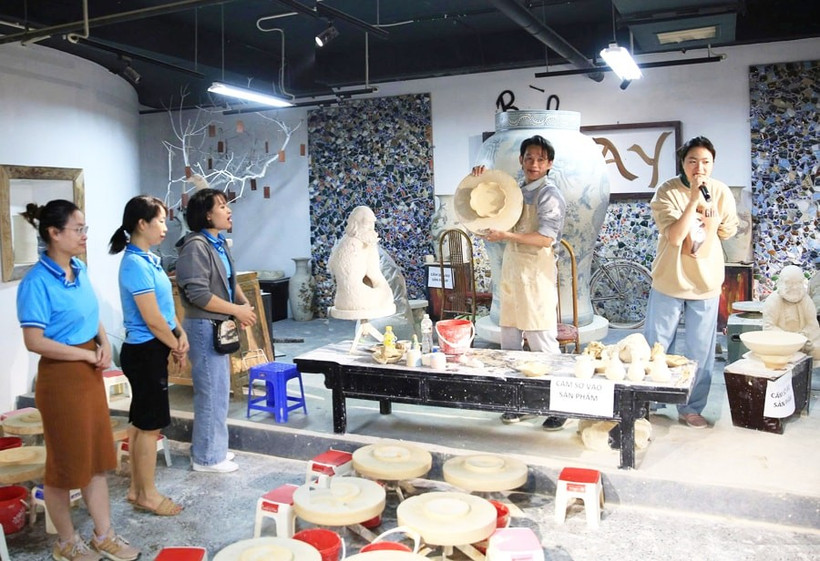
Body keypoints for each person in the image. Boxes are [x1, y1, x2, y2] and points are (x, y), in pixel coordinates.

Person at [16, 200, 140, 561]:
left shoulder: (79, 269)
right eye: (78, 229)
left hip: (88, 371)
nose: (85, 235)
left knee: (96, 459)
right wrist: (87, 354)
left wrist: (102, 343)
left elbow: (92, 313)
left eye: (85, 228)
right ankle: (67, 542)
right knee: (65, 465)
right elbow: (34, 341)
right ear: (54, 234)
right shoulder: (36, 282)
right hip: (61, 379)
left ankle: (104, 535)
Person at [472, 135, 568, 430]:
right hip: (513, 271)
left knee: (541, 341)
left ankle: (559, 406)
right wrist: (479, 181)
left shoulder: (550, 195)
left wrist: (507, 236)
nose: (534, 164)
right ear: (521, 161)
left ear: (549, 164)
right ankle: (517, 403)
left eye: (540, 159)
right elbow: (490, 206)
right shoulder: (516, 189)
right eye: (529, 158)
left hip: (536, 275)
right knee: (510, 342)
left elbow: (545, 238)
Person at [644, 136, 739, 429]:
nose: (700, 167)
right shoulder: (667, 191)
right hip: (669, 281)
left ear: (713, 163)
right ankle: (651, 400)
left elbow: (728, 231)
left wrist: (712, 212)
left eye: (706, 161)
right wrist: (694, 199)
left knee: (700, 350)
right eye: (692, 161)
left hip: (705, 282)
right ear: (683, 164)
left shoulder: (721, 192)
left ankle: (692, 406)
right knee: (657, 346)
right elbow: (674, 236)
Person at [109, 195, 187, 515]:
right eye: (160, 221)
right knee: (148, 426)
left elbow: (166, 313)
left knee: (141, 423)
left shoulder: (148, 259)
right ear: (142, 224)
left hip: (153, 347)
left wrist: (179, 335)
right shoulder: (134, 264)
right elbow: (152, 319)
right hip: (144, 351)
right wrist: (173, 343)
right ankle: (148, 494)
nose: (165, 227)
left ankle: (136, 488)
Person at [175, 188, 256, 473]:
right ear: (207, 214)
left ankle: (213, 447)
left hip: (219, 325)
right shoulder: (195, 246)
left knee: (220, 390)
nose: (228, 210)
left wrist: (243, 303)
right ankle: (207, 458)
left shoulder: (218, 243)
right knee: (210, 392)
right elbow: (198, 294)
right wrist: (236, 311)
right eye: (222, 206)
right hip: (202, 326)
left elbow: (228, 280)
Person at [328, 205, 395, 315]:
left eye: (372, 224)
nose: (371, 229)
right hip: (358, 300)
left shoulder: (342, 243)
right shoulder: (366, 243)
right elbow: (374, 274)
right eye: (369, 224)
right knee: (386, 296)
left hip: (340, 299)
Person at [762, 264, 820, 360]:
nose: (794, 287)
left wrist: (803, 335)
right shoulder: (773, 300)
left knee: (817, 349)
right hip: (781, 341)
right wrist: (790, 339)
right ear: (780, 283)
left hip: (803, 340)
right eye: (789, 283)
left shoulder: (805, 299)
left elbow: (812, 324)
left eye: (798, 283)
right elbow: (769, 327)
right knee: (771, 350)